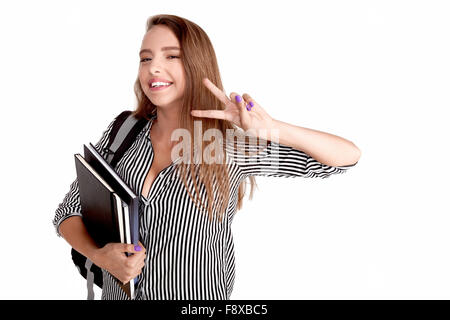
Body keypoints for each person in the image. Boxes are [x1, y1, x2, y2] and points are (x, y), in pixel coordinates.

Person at [52, 14, 361, 300]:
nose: (153, 68)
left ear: (196, 65)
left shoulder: (228, 146)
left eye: (171, 56)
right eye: (146, 58)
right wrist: (98, 255)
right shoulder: (124, 130)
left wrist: (272, 128)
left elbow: (345, 158)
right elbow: (68, 211)